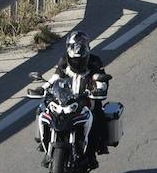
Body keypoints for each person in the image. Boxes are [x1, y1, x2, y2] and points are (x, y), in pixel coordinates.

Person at [42, 31, 110, 165]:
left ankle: (97, 148)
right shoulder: (63, 60)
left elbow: (102, 78)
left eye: (80, 59)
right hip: (66, 97)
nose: (77, 63)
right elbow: (55, 77)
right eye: (74, 59)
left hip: (87, 97)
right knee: (44, 110)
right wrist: (43, 87)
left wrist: (99, 88)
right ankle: (45, 146)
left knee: (98, 114)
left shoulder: (95, 61)